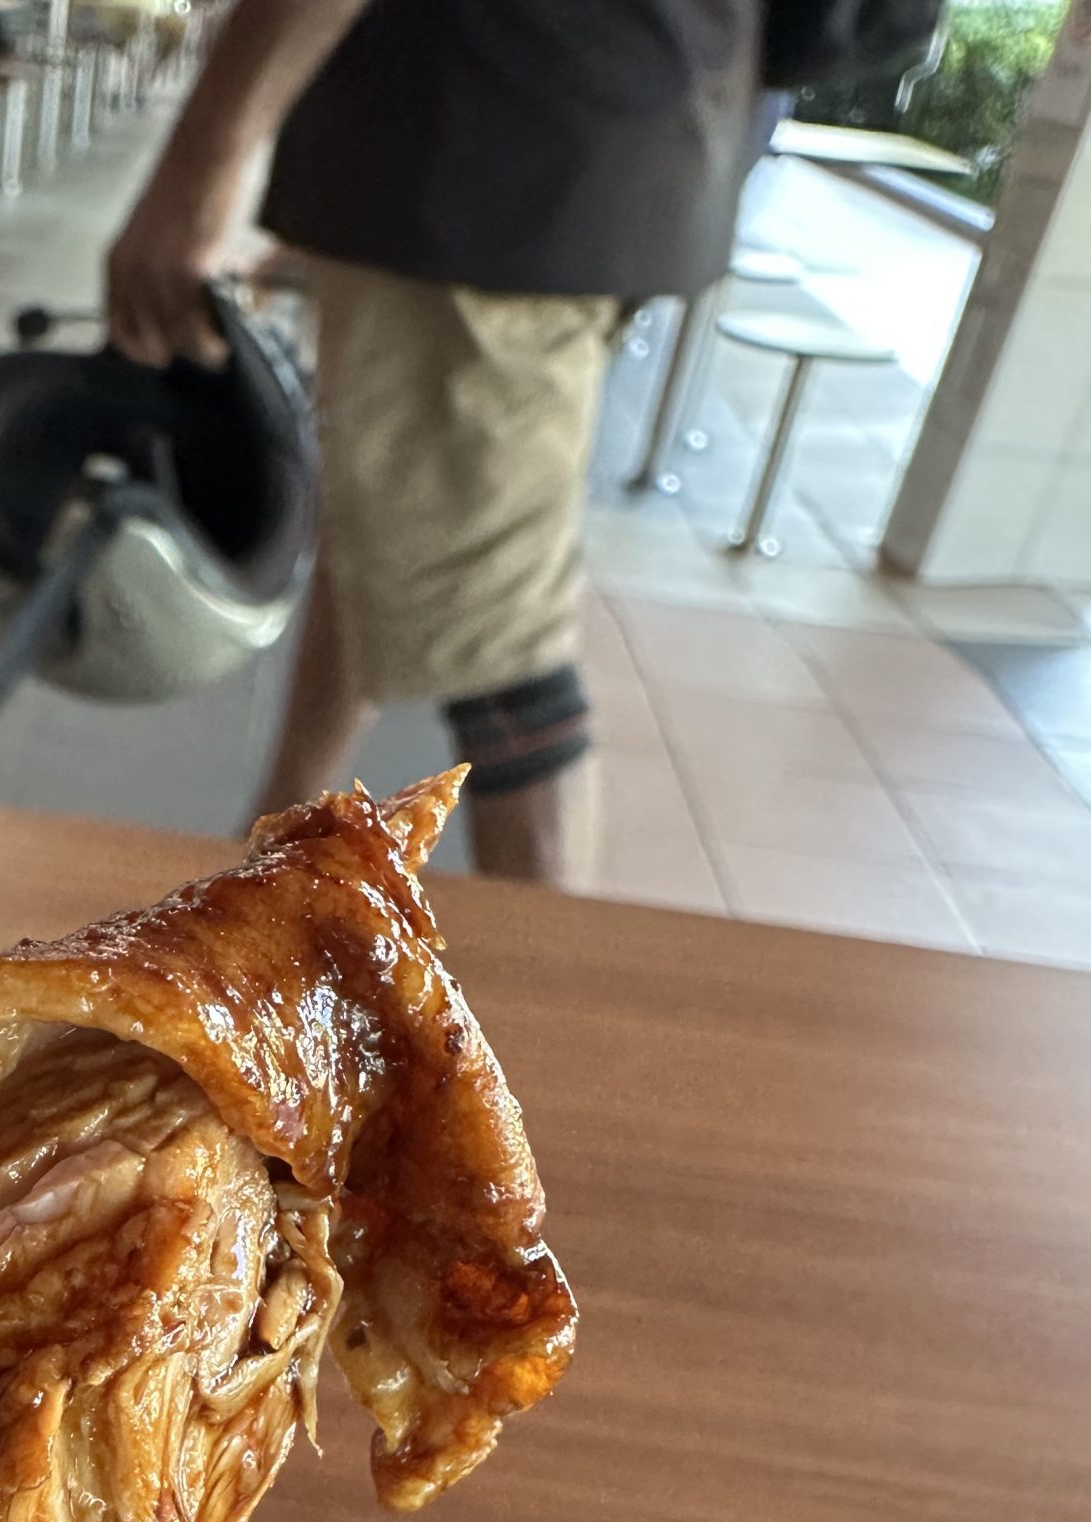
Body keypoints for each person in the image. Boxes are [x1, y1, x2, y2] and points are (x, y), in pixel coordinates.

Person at [105, 0, 762, 883]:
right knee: (389, 514)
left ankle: (551, 972)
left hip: (480, 169)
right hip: (579, 146)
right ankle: (275, 866)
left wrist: (200, 168)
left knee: (503, 659)